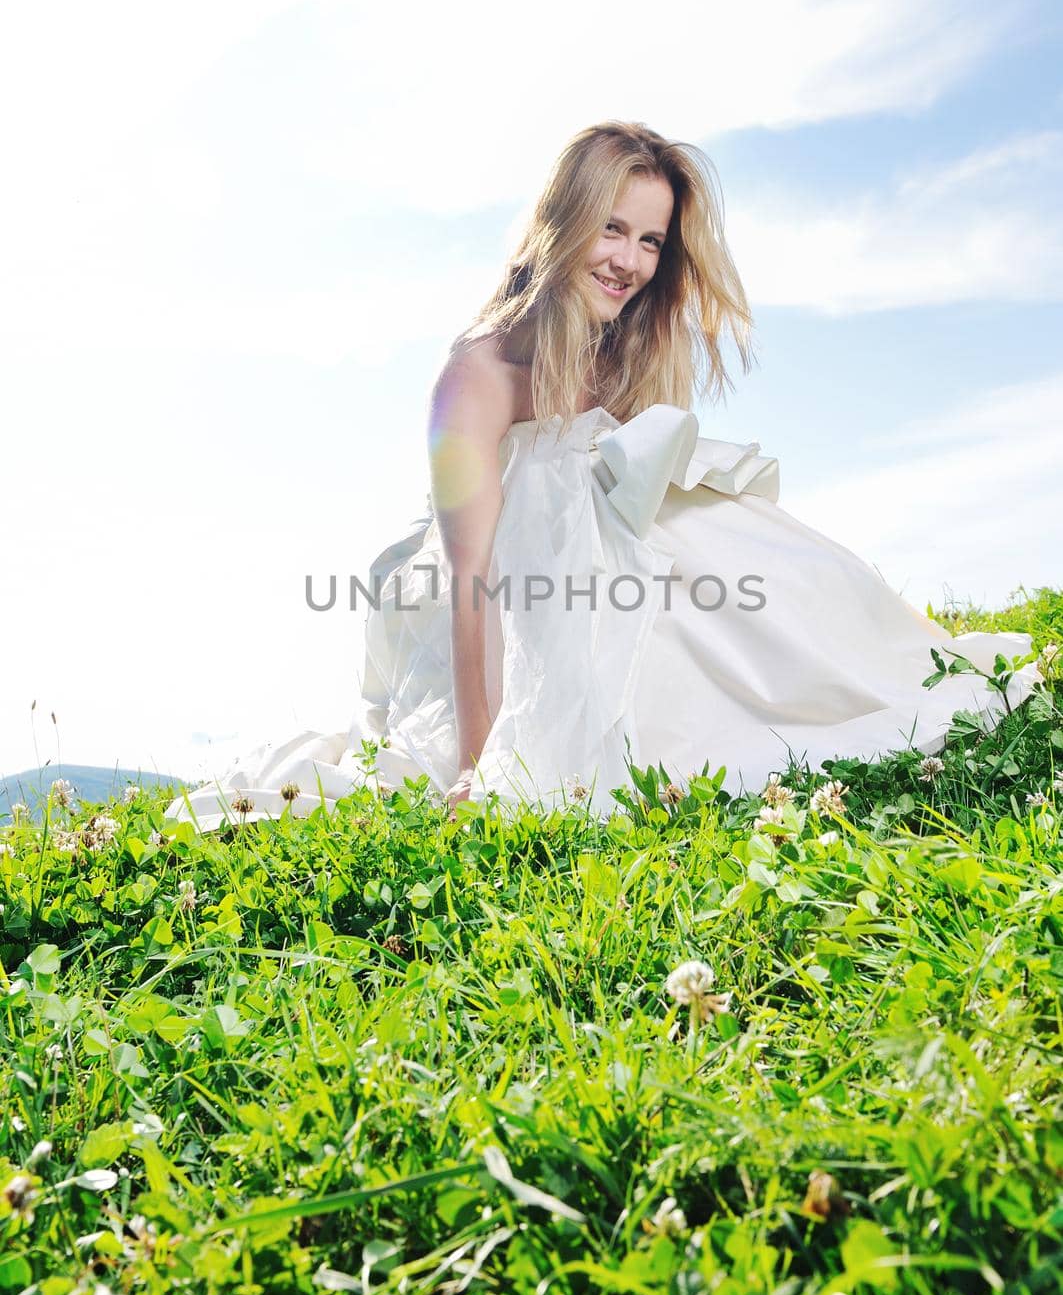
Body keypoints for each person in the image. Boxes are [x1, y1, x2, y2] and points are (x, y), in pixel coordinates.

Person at [165, 121, 1041, 833]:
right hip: (518, 600)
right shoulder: (476, 375)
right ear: (563, 222)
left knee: (787, 576)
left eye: (651, 240)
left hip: (615, 566)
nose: (628, 260)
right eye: (611, 228)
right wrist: (477, 764)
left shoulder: (627, 351)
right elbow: (474, 583)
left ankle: (872, 671)